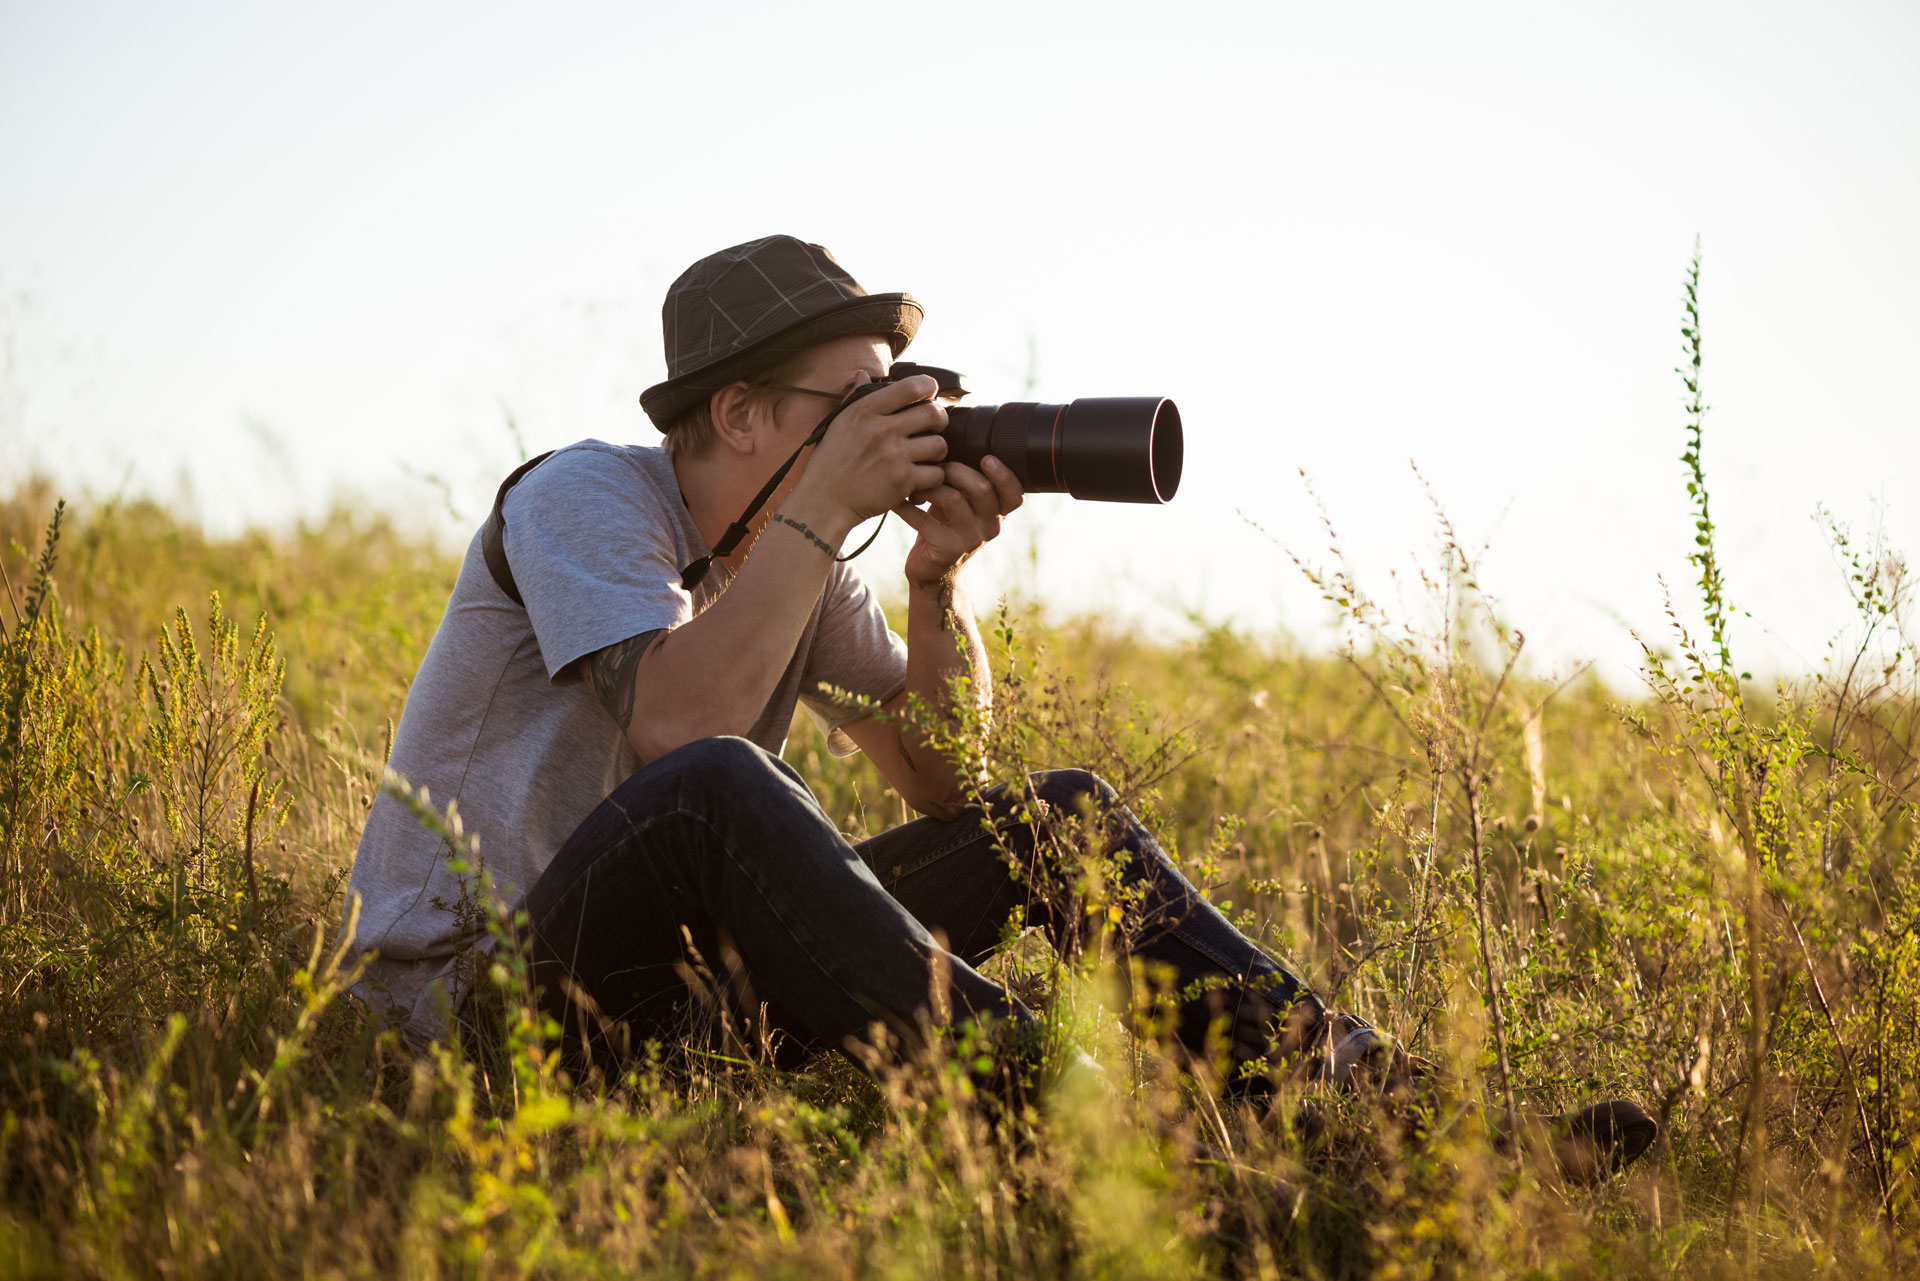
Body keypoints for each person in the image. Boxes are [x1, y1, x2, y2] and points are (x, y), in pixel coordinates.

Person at [342, 235, 1653, 1172]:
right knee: (720, 785)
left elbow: (948, 787)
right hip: (467, 1022)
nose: (892, 425)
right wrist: (820, 509)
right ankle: (1079, 1129)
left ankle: (1391, 1115)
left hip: (666, 1020)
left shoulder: (788, 556)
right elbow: (684, 727)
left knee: (1058, 817)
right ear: (735, 414)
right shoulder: (587, 496)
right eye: (855, 402)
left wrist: (935, 585)